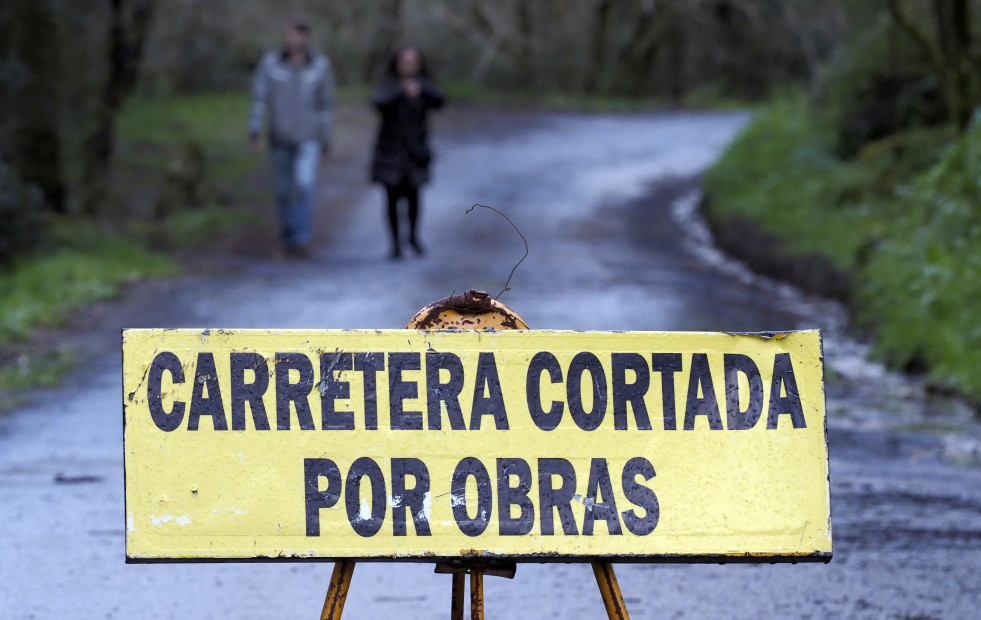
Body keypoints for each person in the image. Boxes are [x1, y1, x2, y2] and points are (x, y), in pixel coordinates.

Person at [249, 17, 334, 259]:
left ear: (305, 36)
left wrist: (326, 139)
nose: (293, 38)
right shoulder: (271, 64)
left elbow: (326, 106)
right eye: (290, 33)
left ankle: (301, 238)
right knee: (284, 190)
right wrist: (254, 131)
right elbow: (260, 100)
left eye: (299, 33)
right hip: (279, 137)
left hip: (308, 138)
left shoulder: (319, 66)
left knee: (304, 184)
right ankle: (288, 237)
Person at [370, 46, 445, 260]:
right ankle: (395, 244)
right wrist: (401, 91)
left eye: (413, 62)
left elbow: (440, 100)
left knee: (414, 197)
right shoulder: (389, 85)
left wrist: (419, 88)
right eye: (405, 61)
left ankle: (413, 237)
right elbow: (377, 102)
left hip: (416, 151)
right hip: (390, 151)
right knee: (391, 198)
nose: (409, 66)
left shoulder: (424, 85)